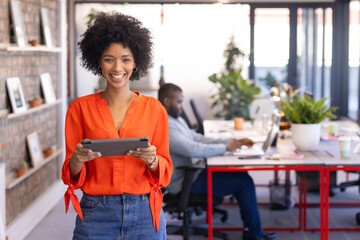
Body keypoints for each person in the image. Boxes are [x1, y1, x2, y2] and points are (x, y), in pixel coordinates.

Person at [62, 12, 173, 239]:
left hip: (144, 212)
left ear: (135, 63)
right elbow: (71, 175)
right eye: (108, 59)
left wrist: (152, 160)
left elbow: (165, 172)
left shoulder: (155, 109)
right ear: (98, 62)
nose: (117, 67)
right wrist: (76, 160)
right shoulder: (79, 109)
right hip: (96, 213)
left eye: (125, 59)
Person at [158, 83, 276, 240]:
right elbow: (193, 149)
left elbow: (197, 138)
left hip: (193, 172)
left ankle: (252, 231)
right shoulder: (166, 125)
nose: (181, 106)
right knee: (244, 182)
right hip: (184, 182)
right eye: (178, 102)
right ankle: (254, 234)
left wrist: (231, 140)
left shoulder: (175, 119)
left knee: (241, 176)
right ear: (166, 101)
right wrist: (226, 147)